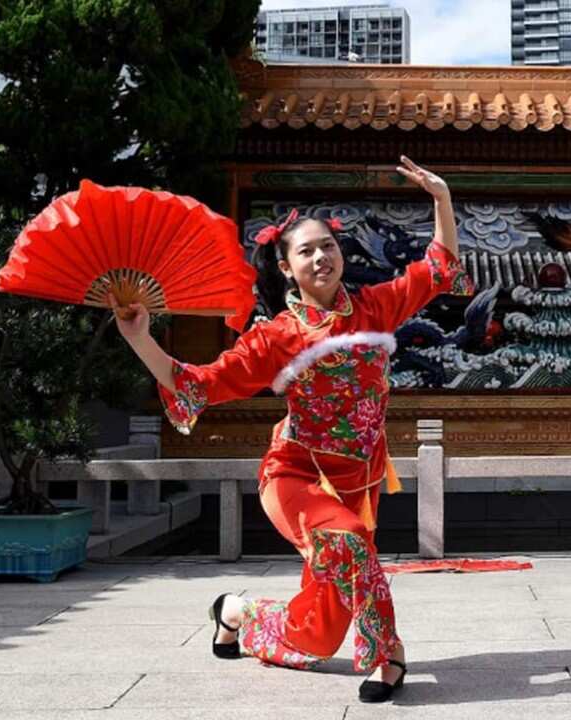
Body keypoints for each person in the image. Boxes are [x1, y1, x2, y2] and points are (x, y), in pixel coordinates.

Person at [112, 157, 471, 701]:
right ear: (285, 267)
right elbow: (200, 382)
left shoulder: (375, 307)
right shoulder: (275, 337)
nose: (321, 257)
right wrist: (140, 337)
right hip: (296, 476)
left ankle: (235, 613)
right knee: (350, 544)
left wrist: (442, 199)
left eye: (327, 246)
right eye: (306, 250)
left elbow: (438, 267)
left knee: (320, 634)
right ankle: (387, 654)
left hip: (361, 483)